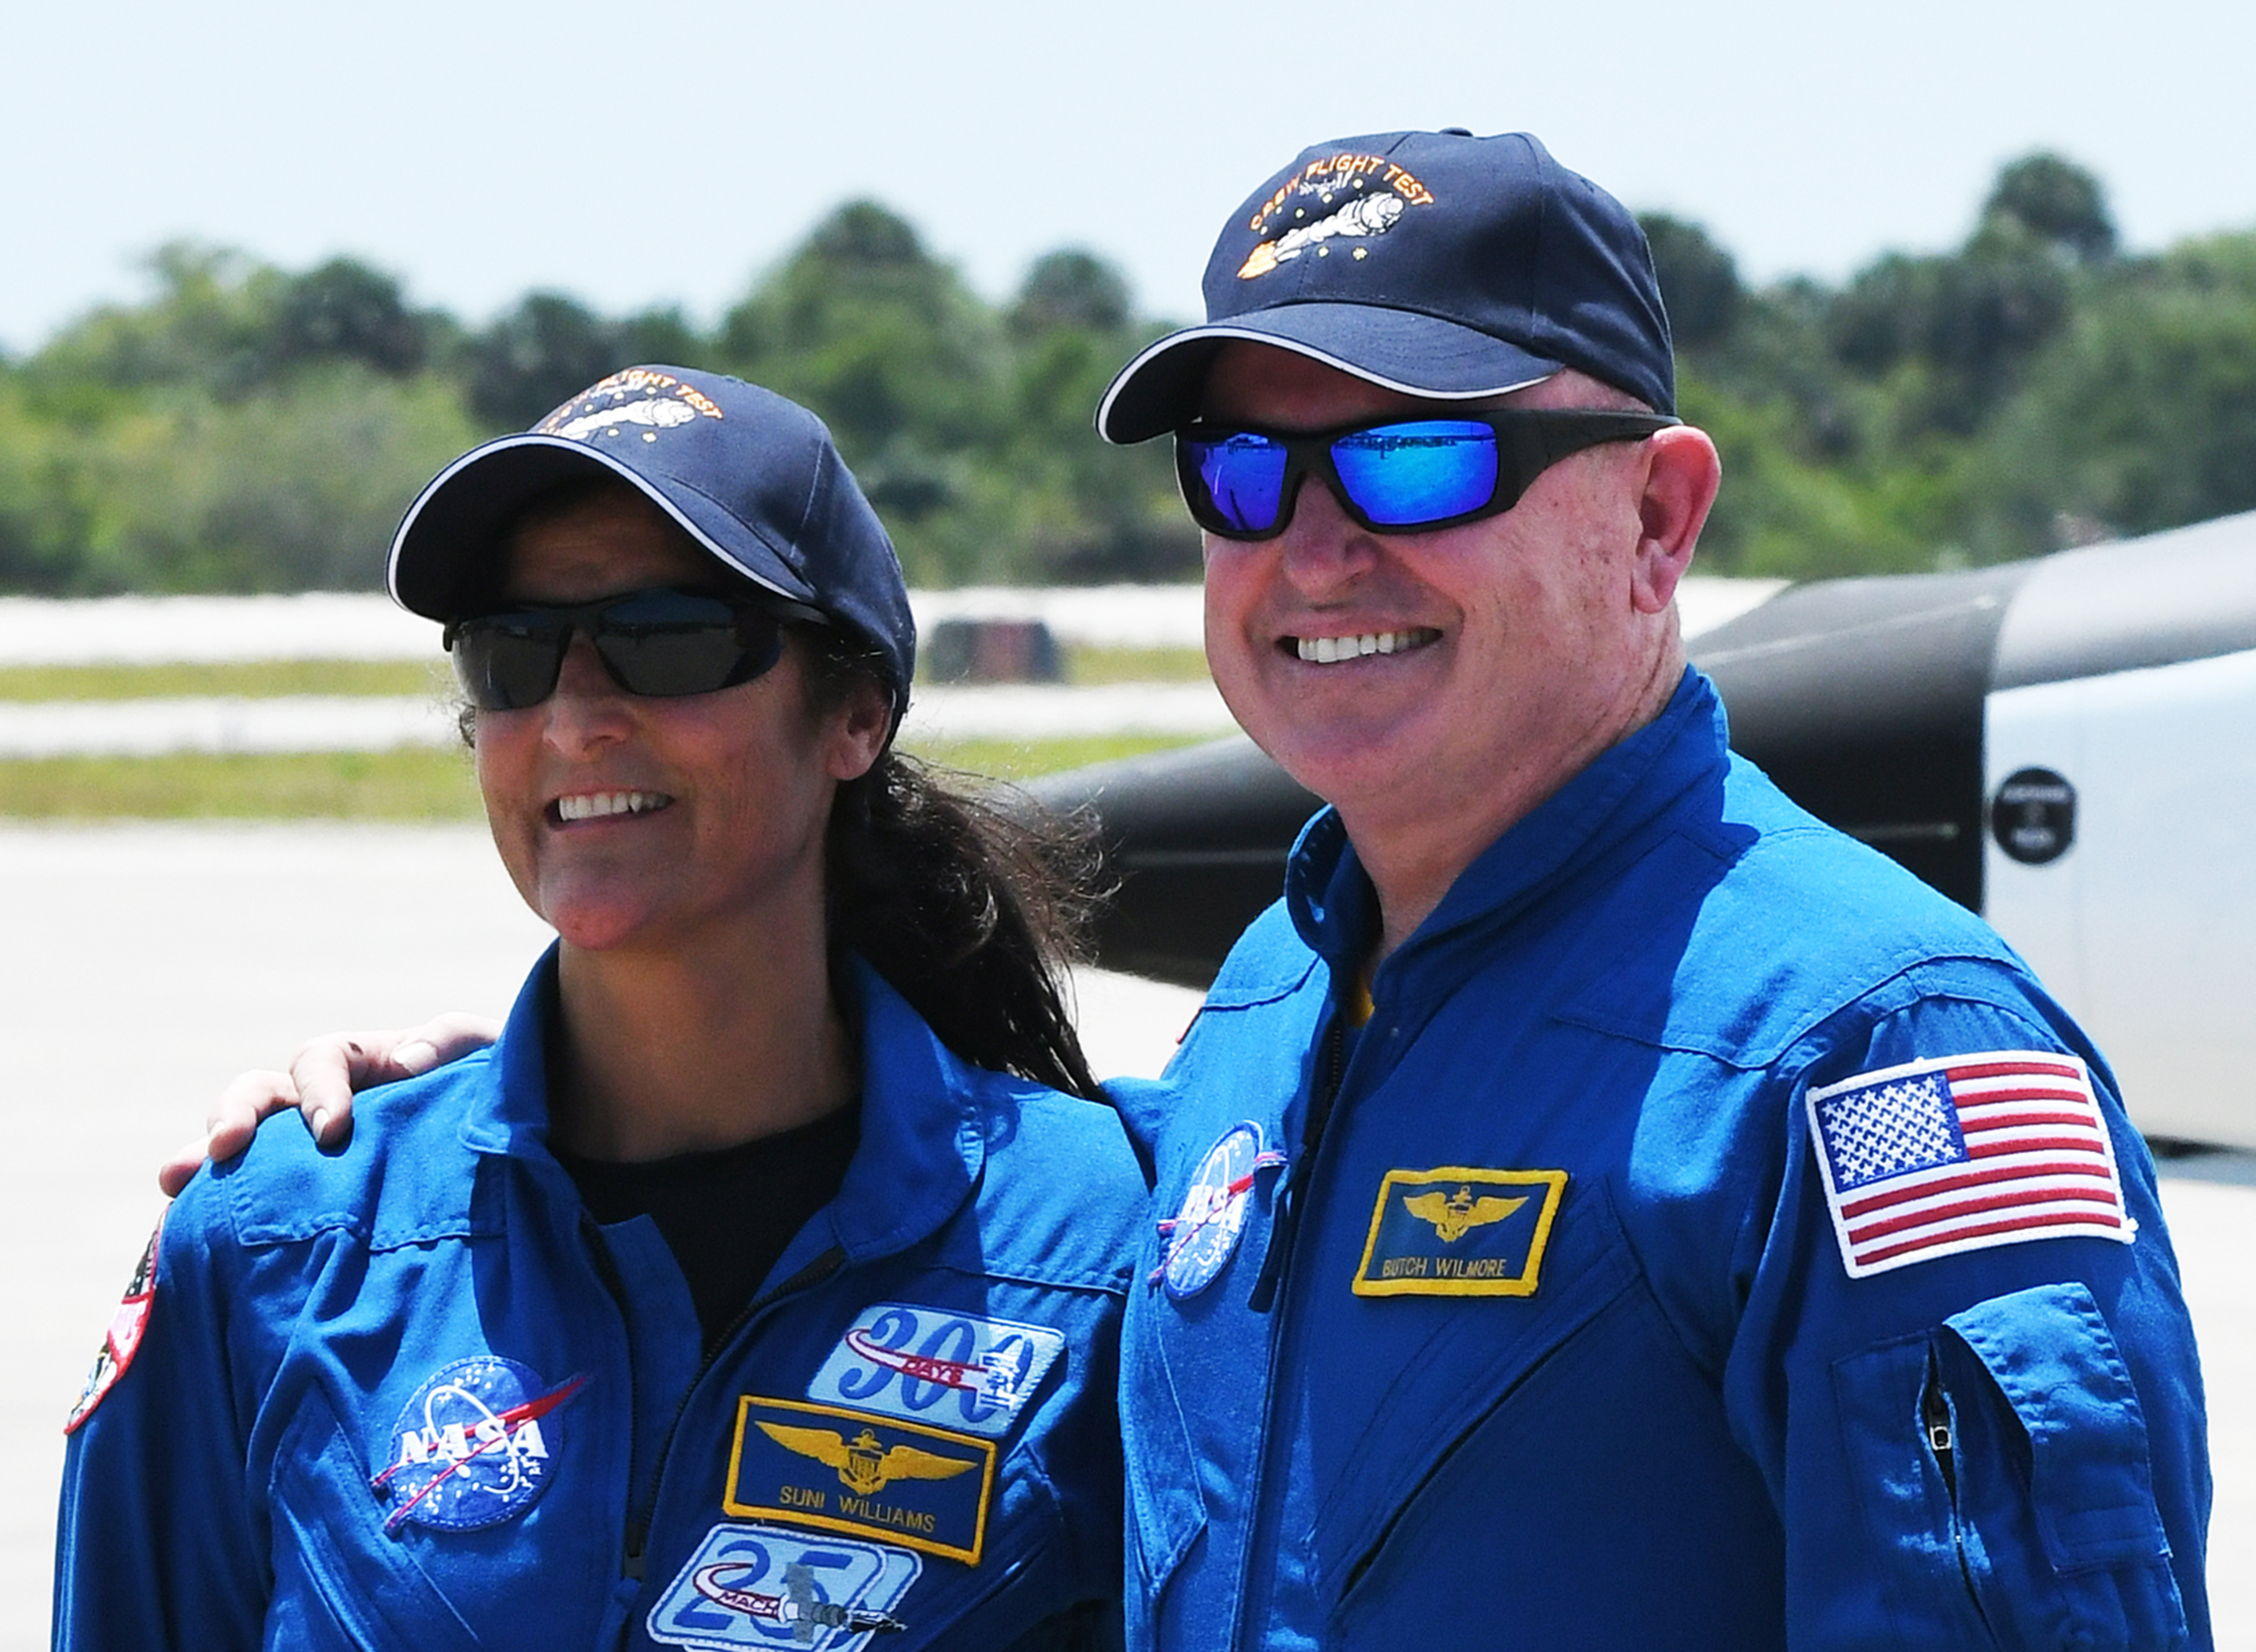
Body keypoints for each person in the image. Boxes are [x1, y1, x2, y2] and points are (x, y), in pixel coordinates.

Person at [168, 132, 2212, 1650]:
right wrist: (465, 1128)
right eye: (1246, 477)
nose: (1317, 546)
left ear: (1659, 518)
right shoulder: (1264, 1021)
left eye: (1418, 463)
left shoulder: (1869, 1046)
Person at [57, 367, 1140, 1650]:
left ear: (853, 713)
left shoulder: (1100, 1243)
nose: (574, 715)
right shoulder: (275, 1246)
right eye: (513, 655)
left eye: (669, 637)